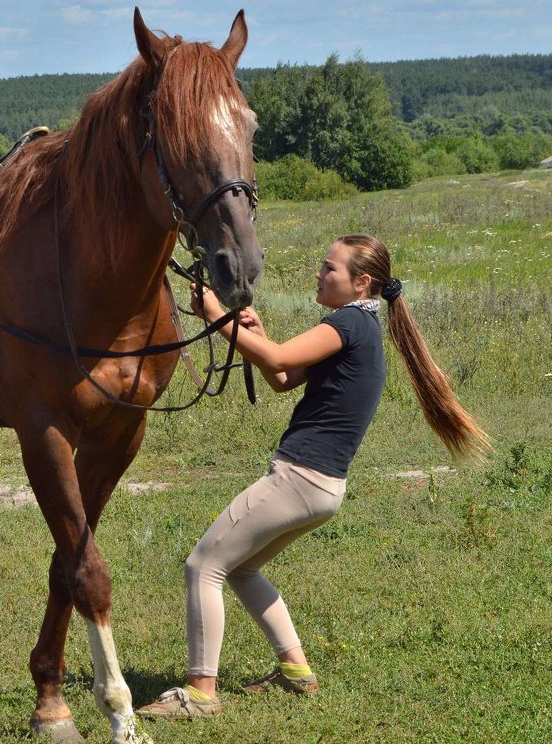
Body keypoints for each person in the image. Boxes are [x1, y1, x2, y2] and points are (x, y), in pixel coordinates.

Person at [138, 233, 489, 719]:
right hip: (322, 489)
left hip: (299, 480)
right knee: (240, 569)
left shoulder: (348, 322)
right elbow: (282, 378)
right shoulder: (358, 326)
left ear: (360, 282)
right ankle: (296, 671)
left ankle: (200, 694)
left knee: (203, 567)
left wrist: (217, 317)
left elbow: (280, 360)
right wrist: (254, 332)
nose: (318, 274)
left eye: (329, 268)